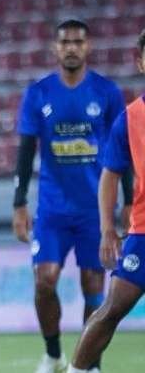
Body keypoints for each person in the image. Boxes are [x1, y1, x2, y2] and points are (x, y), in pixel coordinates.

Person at [12, 19, 131, 373]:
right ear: (55, 48)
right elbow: (25, 151)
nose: (71, 48)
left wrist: (127, 203)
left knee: (94, 285)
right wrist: (19, 202)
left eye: (78, 41)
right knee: (44, 280)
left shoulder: (107, 93)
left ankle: (89, 361)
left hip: (95, 210)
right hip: (51, 209)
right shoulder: (39, 93)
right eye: (65, 42)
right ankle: (53, 355)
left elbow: (122, 152)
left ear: (88, 47)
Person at [67, 29, 145, 373]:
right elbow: (110, 175)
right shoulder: (130, 117)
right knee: (112, 308)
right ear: (141, 62)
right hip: (143, 233)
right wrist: (107, 229)